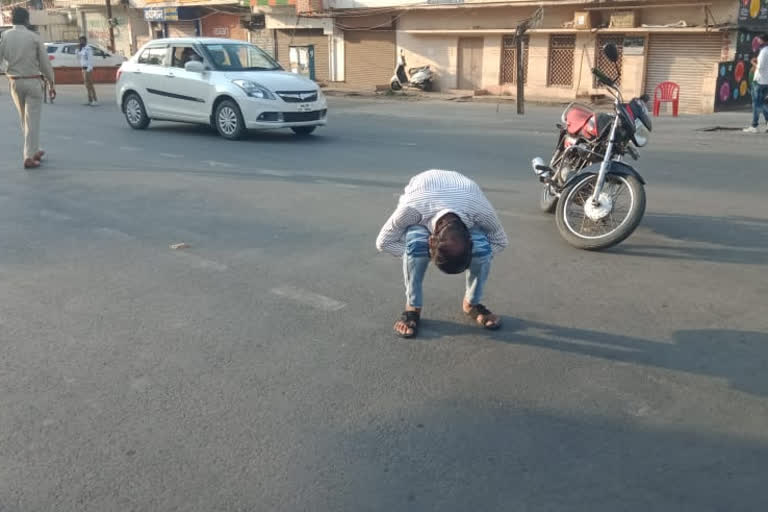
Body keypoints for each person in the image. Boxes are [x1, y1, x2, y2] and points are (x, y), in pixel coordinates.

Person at [376, 170, 509, 338]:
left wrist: (479, 259)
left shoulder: (480, 212)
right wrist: (416, 257)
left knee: (483, 249)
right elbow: (383, 242)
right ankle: (413, 307)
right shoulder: (412, 210)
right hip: (425, 196)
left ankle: (471, 303)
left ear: (470, 237)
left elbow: (500, 241)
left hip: (465, 197)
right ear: (431, 241)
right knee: (415, 245)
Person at [0, 7, 56, 169]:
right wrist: (52, 82)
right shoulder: (34, 37)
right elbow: (45, 64)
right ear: (26, 20)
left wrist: (7, 71)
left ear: (12, 20)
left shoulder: (5, 36)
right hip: (32, 82)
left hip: (15, 82)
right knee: (32, 120)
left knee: (25, 119)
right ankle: (29, 156)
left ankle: (35, 149)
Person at [744, 33, 768, 133]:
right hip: (765, 80)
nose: (758, 41)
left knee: (757, 104)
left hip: (759, 81)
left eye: (759, 40)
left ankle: (754, 126)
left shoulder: (764, 51)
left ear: (763, 40)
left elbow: (760, 67)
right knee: (761, 103)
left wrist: (752, 62)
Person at [76, 36, 98, 106]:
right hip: (83, 69)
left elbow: (90, 59)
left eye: (82, 41)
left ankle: (95, 100)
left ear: (85, 41)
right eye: (80, 41)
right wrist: (77, 51)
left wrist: (89, 69)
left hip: (88, 69)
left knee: (90, 84)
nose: (81, 42)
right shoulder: (81, 49)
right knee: (86, 85)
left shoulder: (88, 49)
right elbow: (78, 58)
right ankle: (90, 100)